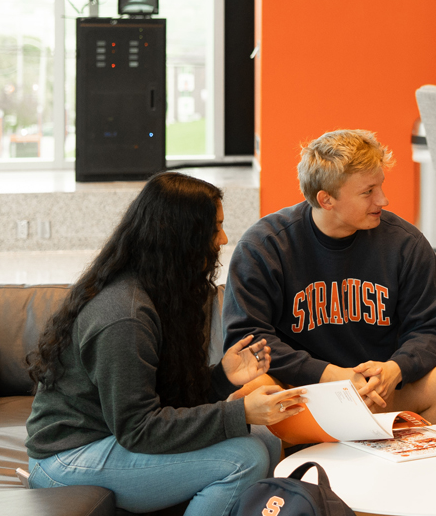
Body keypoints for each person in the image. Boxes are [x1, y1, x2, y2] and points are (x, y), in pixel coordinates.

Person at [25, 172, 306, 516]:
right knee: (244, 458)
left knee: (264, 437)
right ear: (182, 237)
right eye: (214, 228)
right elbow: (138, 428)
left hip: (111, 438)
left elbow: (164, 396)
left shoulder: (164, 291)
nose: (223, 238)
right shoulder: (124, 317)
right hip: (67, 459)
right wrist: (240, 411)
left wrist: (222, 378)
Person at [223, 129, 436, 423]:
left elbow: (433, 330)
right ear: (326, 199)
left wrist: (394, 370)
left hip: (378, 392)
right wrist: (332, 376)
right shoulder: (265, 245)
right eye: (368, 192)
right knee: (250, 391)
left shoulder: (405, 243)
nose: (383, 200)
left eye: (380, 186)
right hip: (301, 394)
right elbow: (247, 340)